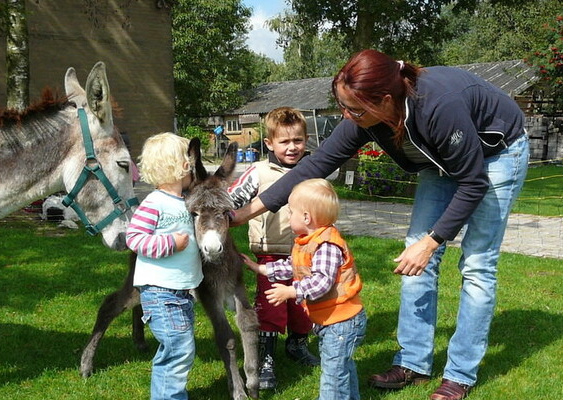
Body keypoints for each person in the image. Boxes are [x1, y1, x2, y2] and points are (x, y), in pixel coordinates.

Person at [231, 49, 530, 400]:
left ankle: (459, 374)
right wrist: (240, 214)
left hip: (496, 154)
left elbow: (473, 182)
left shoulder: (439, 106)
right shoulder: (364, 113)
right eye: (342, 106)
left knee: (477, 265)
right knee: (414, 260)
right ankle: (414, 363)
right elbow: (316, 165)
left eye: (353, 109)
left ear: (386, 100)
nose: (347, 116)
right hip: (441, 162)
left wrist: (433, 240)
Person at [241, 178, 367, 400]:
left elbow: (321, 282)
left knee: (332, 375)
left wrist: (291, 292)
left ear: (306, 217)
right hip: (333, 320)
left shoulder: (327, 245)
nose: (289, 217)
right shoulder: (307, 241)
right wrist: (260, 268)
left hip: (342, 323)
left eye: (291, 212)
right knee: (342, 369)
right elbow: (293, 266)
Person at [227, 107, 321, 390]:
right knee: (271, 307)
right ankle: (266, 358)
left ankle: (297, 344)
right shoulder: (259, 171)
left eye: (298, 140)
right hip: (271, 254)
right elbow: (233, 199)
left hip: (308, 253)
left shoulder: (314, 169)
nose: (292, 147)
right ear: (269, 143)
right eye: (284, 141)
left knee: (304, 305)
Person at [125, 132, 201, 400]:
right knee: (178, 349)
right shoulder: (155, 202)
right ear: (183, 166)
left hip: (179, 293)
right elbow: (134, 238)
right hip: (161, 292)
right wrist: (170, 243)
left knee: (179, 348)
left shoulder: (184, 201)